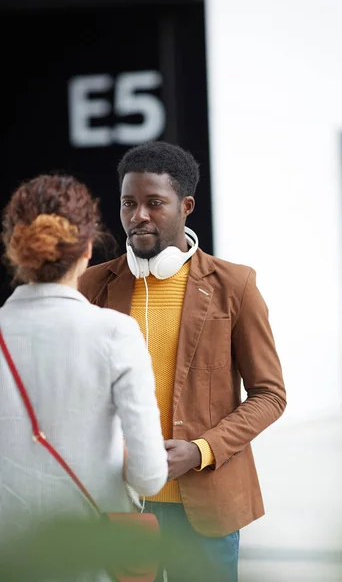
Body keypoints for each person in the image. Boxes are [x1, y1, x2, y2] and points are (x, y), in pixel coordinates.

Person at [78, 141, 287, 582]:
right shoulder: (92, 285)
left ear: (186, 206)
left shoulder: (236, 285)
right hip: (120, 503)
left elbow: (270, 395)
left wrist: (200, 451)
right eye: (128, 203)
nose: (139, 216)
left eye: (155, 203)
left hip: (206, 510)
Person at [0, 174, 168, 570]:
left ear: (15, 249)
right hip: (92, 556)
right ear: (87, 248)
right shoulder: (116, 333)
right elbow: (149, 477)